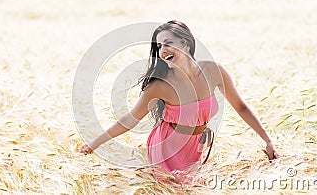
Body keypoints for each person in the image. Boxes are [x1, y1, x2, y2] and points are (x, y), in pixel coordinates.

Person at [79, 20, 280, 182]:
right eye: (158, 46)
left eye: (168, 43)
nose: (162, 50)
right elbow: (130, 119)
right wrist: (94, 144)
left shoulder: (213, 71)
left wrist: (267, 140)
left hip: (196, 147)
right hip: (166, 149)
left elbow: (242, 107)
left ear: (185, 43)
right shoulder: (159, 86)